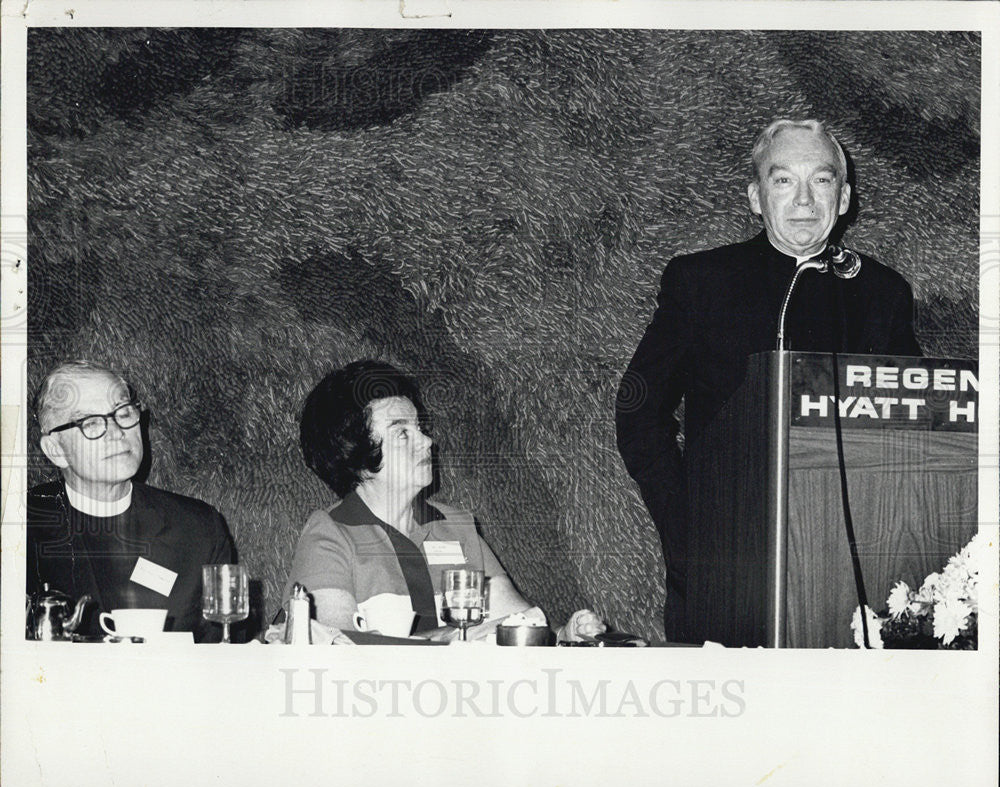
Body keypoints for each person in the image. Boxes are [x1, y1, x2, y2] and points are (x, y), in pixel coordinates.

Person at [615, 118, 922, 641]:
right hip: (724, 564)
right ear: (756, 197)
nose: (804, 199)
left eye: (821, 180)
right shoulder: (701, 281)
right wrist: (686, 530)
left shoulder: (882, 292)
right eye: (783, 181)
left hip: (850, 570)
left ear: (844, 197)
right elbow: (639, 410)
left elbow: (914, 425)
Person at [284, 360, 606, 642]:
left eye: (420, 427)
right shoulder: (329, 533)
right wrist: (452, 641)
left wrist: (563, 636)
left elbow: (518, 622)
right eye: (402, 432)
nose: (427, 441)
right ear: (354, 450)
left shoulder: (457, 527)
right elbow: (336, 648)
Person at [27, 361, 236, 641]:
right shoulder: (18, 528)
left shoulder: (199, 529)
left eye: (123, 412)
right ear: (56, 450)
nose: (117, 432)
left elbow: (222, 655)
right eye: (90, 422)